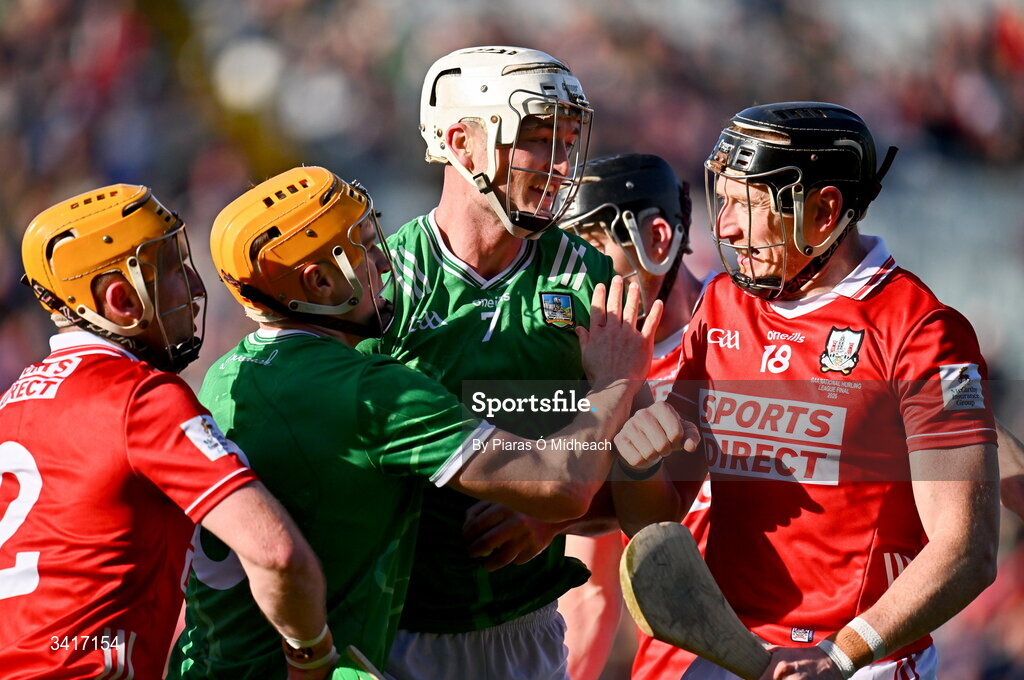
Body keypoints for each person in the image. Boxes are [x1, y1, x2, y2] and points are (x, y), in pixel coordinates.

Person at [170, 166, 661, 679]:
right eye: (360, 247)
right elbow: (561, 485)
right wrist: (613, 384)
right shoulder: (372, 389)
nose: (384, 260)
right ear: (317, 281)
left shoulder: (223, 378)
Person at [613, 102, 1000, 679]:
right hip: (726, 653)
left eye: (748, 205)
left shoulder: (921, 330)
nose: (724, 227)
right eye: (723, 201)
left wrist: (840, 654)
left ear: (823, 212)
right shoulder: (722, 303)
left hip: (858, 662)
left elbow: (966, 549)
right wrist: (636, 464)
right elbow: (656, 518)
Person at [357, 45, 622, 680]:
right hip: (393, 629)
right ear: (462, 143)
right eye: (538, 137)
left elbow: (649, 478)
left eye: (568, 140)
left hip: (526, 630)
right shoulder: (379, 284)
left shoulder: (593, 277)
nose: (561, 164)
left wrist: (552, 509)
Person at [0, 185, 331, 679]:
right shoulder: (138, 397)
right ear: (120, 298)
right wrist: (313, 655)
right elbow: (278, 554)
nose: (195, 288)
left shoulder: (11, 402)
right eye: (174, 268)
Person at [553, 152, 712, 680]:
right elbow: (590, 587)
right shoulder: (592, 369)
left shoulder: (755, 334)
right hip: (676, 664)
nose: (578, 276)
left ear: (658, 240)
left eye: (593, 250)